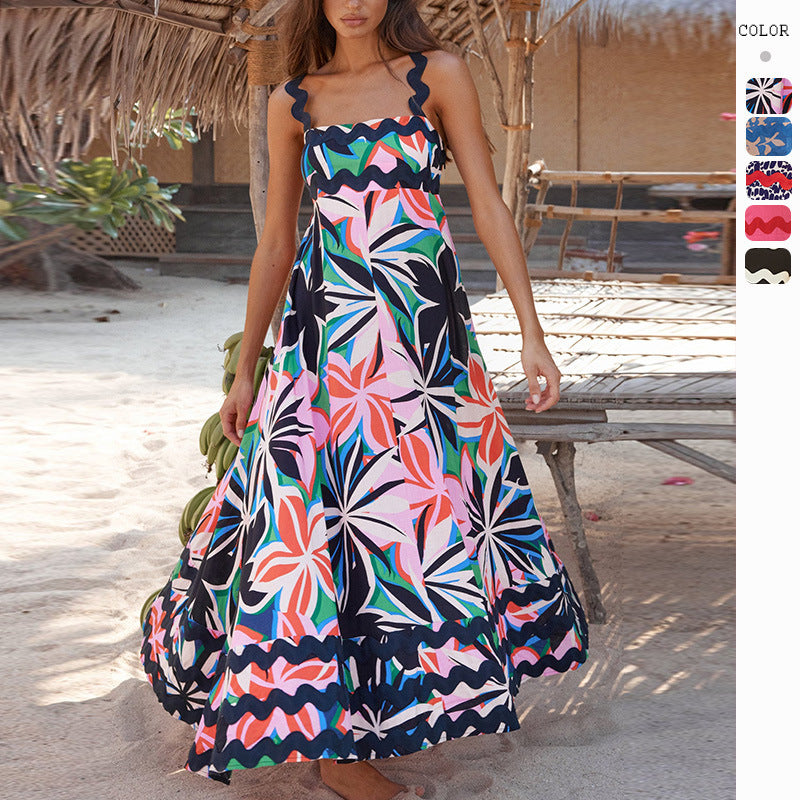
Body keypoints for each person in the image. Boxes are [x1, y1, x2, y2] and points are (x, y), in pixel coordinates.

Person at [139, 2, 589, 799]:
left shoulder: (438, 75)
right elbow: (277, 243)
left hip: (424, 342)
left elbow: (487, 204)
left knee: (416, 517)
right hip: (326, 348)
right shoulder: (292, 102)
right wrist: (246, 371)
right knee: (313, 524)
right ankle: (334, 750)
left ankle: (377, 718)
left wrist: (532, 333)